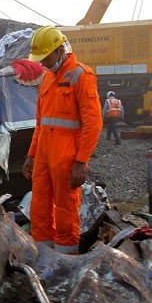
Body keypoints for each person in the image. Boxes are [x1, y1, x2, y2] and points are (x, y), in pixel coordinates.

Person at [22, 26, 102, 255]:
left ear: (59, 50)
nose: (43, 63)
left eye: (45, 58)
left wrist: (81, 162)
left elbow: (93, 124)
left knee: (65, 209)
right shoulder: (46, 79)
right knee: (39, 206)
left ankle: (65, 259)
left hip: (66, 156)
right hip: (44, 155)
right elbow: (41, 124)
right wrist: (31, 155)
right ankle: (43, 256)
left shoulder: (81, 75)